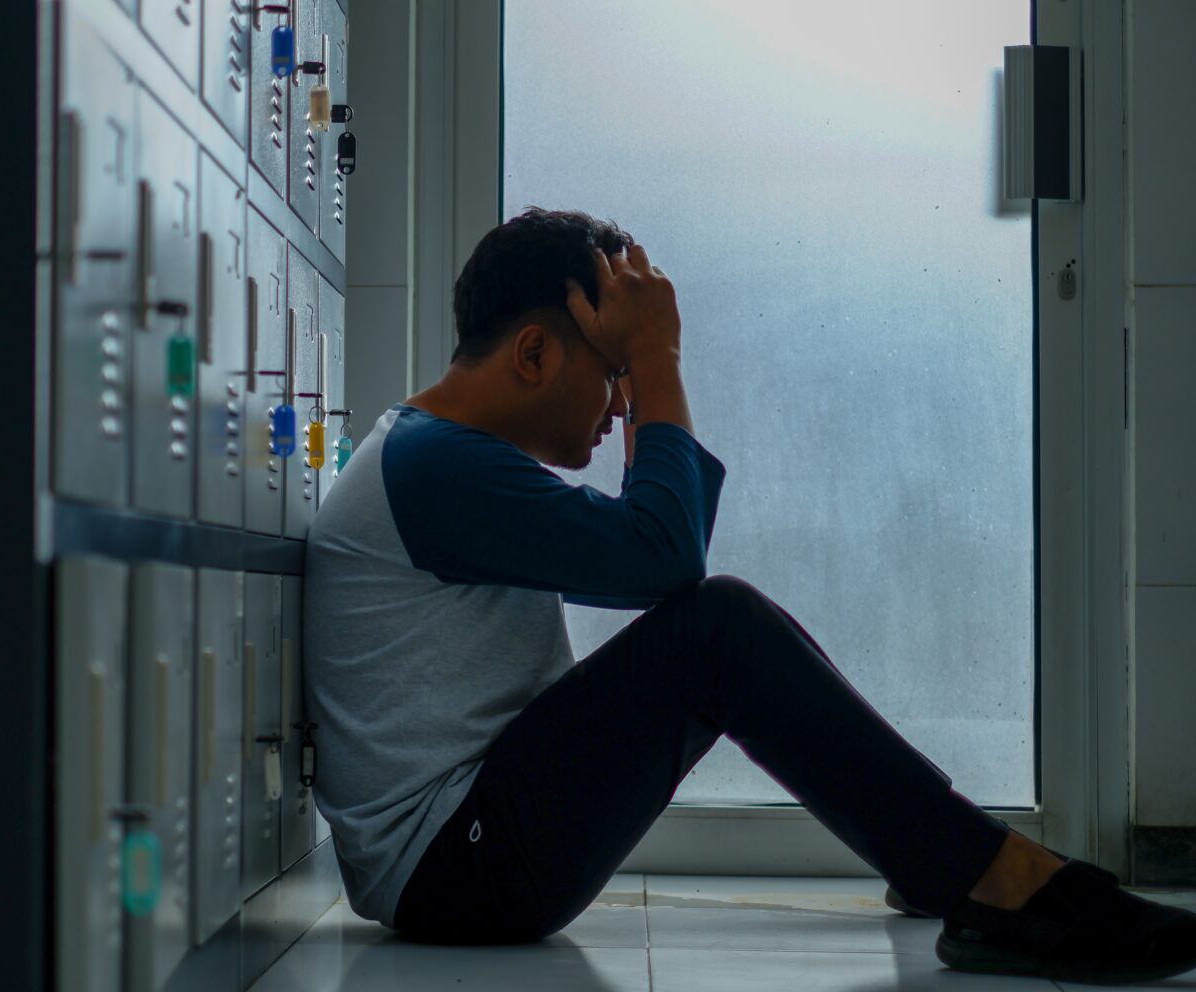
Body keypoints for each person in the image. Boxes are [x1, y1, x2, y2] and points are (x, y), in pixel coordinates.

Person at [302, 207, 1196, 984]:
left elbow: (657, 551)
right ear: (535, 352)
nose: (620, 406)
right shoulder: (436, 468)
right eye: (611, 373)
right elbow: (666, 560)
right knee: (715, 628)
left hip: (464, 853)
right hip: (457, 871)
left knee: (715, 626)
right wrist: (659, 355)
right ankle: (993, 882)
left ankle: (946, 860)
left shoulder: (436, 456)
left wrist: (642, 370)